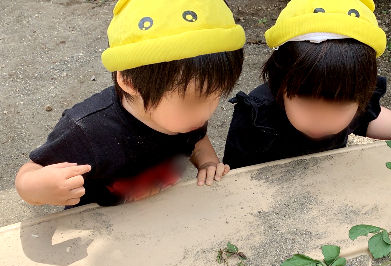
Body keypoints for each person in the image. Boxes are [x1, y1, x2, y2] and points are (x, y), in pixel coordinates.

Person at [15, 0, 245, 207]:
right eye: (192, 103)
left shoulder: (189, 119)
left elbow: (197, 138)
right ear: (129, 81)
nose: (205, 114)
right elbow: (29, 173)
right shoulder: (88, 130)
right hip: (102, 221)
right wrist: (39, 188)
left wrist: (207, 162)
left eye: (215, 97)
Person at [223, 0, 391, 169]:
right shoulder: (255, 117)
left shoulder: (351, 96)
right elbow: (237, 175)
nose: (322, 120)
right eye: (309, 105)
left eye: (340, 107)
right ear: (281, 83)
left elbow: (373, 119)